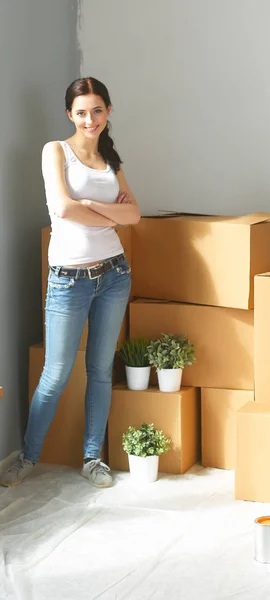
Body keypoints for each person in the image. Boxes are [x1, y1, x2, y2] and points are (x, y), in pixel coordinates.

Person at [0, 77, 140, 488]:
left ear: (108, 111)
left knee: (99, 370)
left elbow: (135, 216)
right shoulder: (55, 151)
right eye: (81, 112)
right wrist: (109, 213)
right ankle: (27, 457)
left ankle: (92, 458)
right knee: (56, 373)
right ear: (70, 115)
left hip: (114, 274)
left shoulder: (112, 161)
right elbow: (61, 208)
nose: (89, 119)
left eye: (97, 110)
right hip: (68, 279)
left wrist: (91, 205)